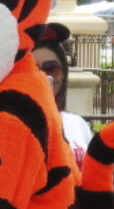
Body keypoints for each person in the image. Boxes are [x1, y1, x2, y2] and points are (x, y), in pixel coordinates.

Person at [34, 23, 92, 167]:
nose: (43, 76)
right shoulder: (8, 124)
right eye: (33, 68)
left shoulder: (77, 123)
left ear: (63, 74)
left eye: (51, 68)